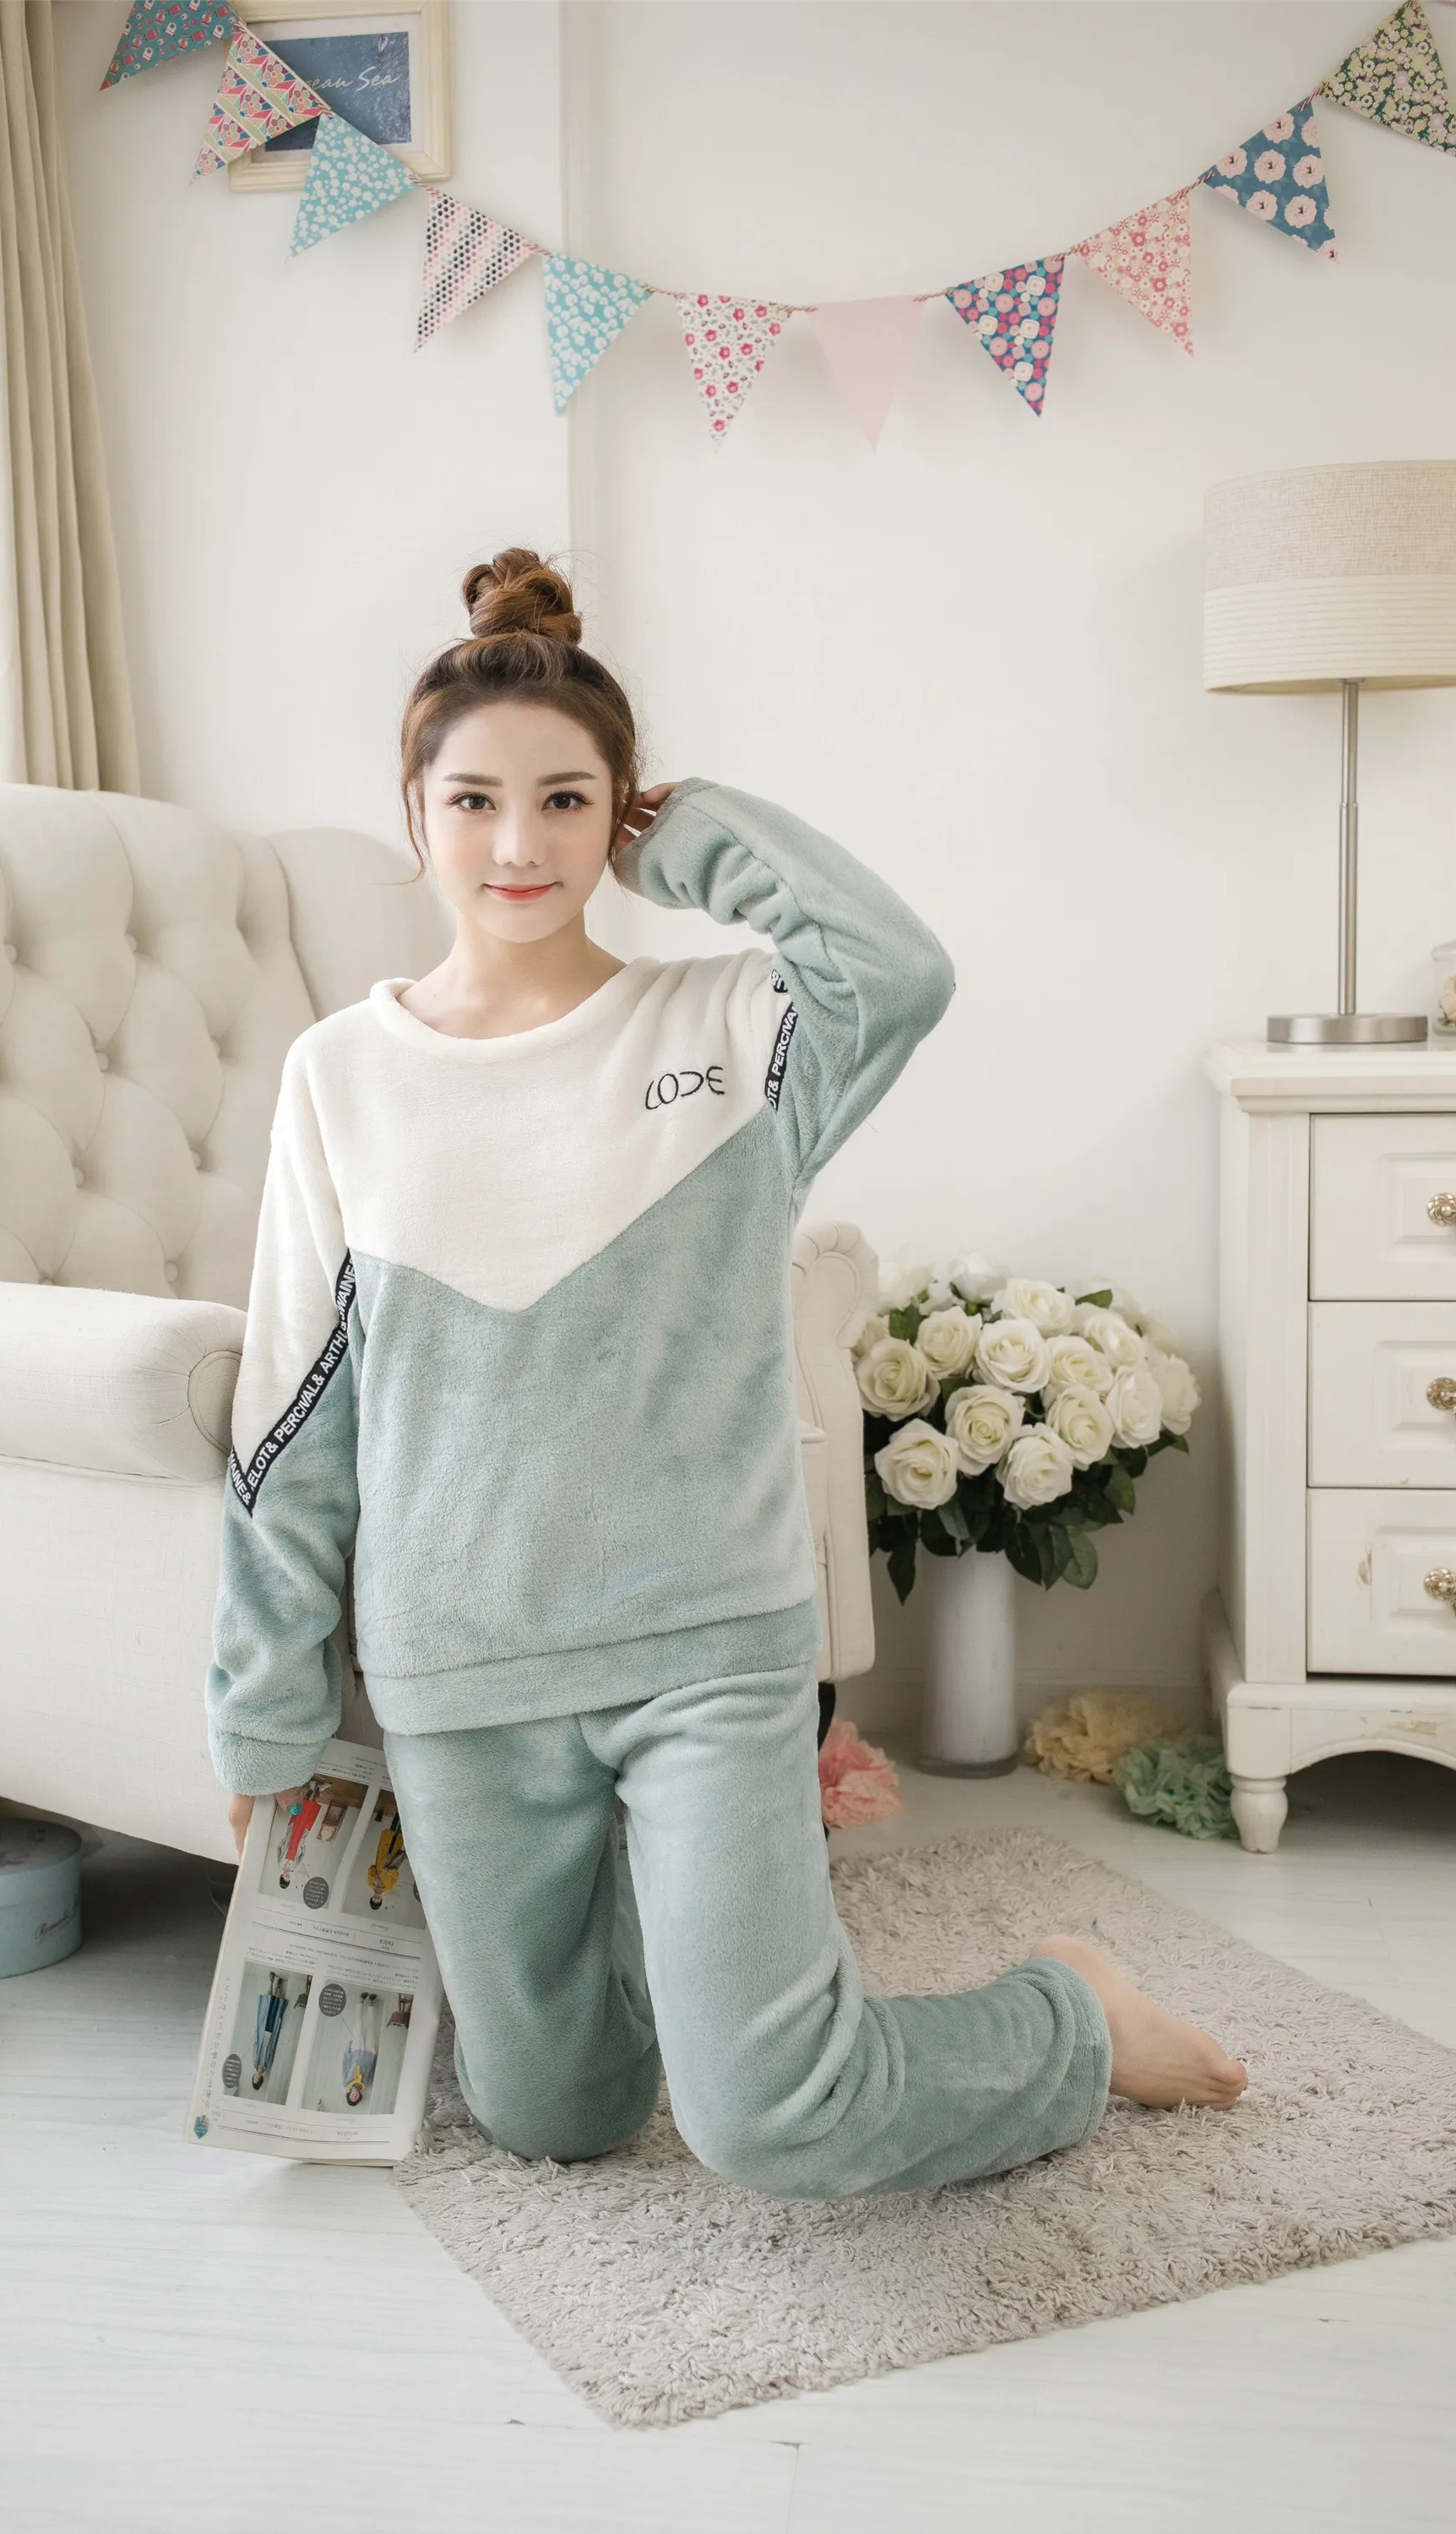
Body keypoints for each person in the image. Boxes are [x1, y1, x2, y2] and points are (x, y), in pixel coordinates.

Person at [207, 548, 1246, 2201]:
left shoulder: (734, 1029)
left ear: (616, 812)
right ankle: (704, 1954)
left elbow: (897, 970)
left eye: (566, 801)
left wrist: (683, 827)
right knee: (554, 2113)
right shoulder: (342, 1075)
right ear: (414, 815)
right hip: (465, 1674)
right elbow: (290, 1414)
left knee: (771, 2120)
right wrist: (262, 1721)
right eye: (473, 802)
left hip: (707, 1645)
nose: (518, 845)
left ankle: (1068, 2016)